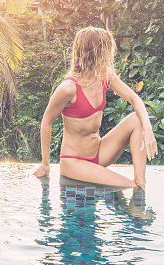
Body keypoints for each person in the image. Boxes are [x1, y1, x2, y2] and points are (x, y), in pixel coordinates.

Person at [33, 26, 157, 189]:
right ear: (95, 53)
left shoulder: (105, 75)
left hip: (99, 151)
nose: (110, 55)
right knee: (129, 186)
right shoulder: (68, 88)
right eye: (106, 50)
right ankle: (136, 189)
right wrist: (45, 164)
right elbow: (46, 122)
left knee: (137, 119)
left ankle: (141, 182)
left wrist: (148, 129)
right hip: (74, 161)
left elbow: (135, 98)